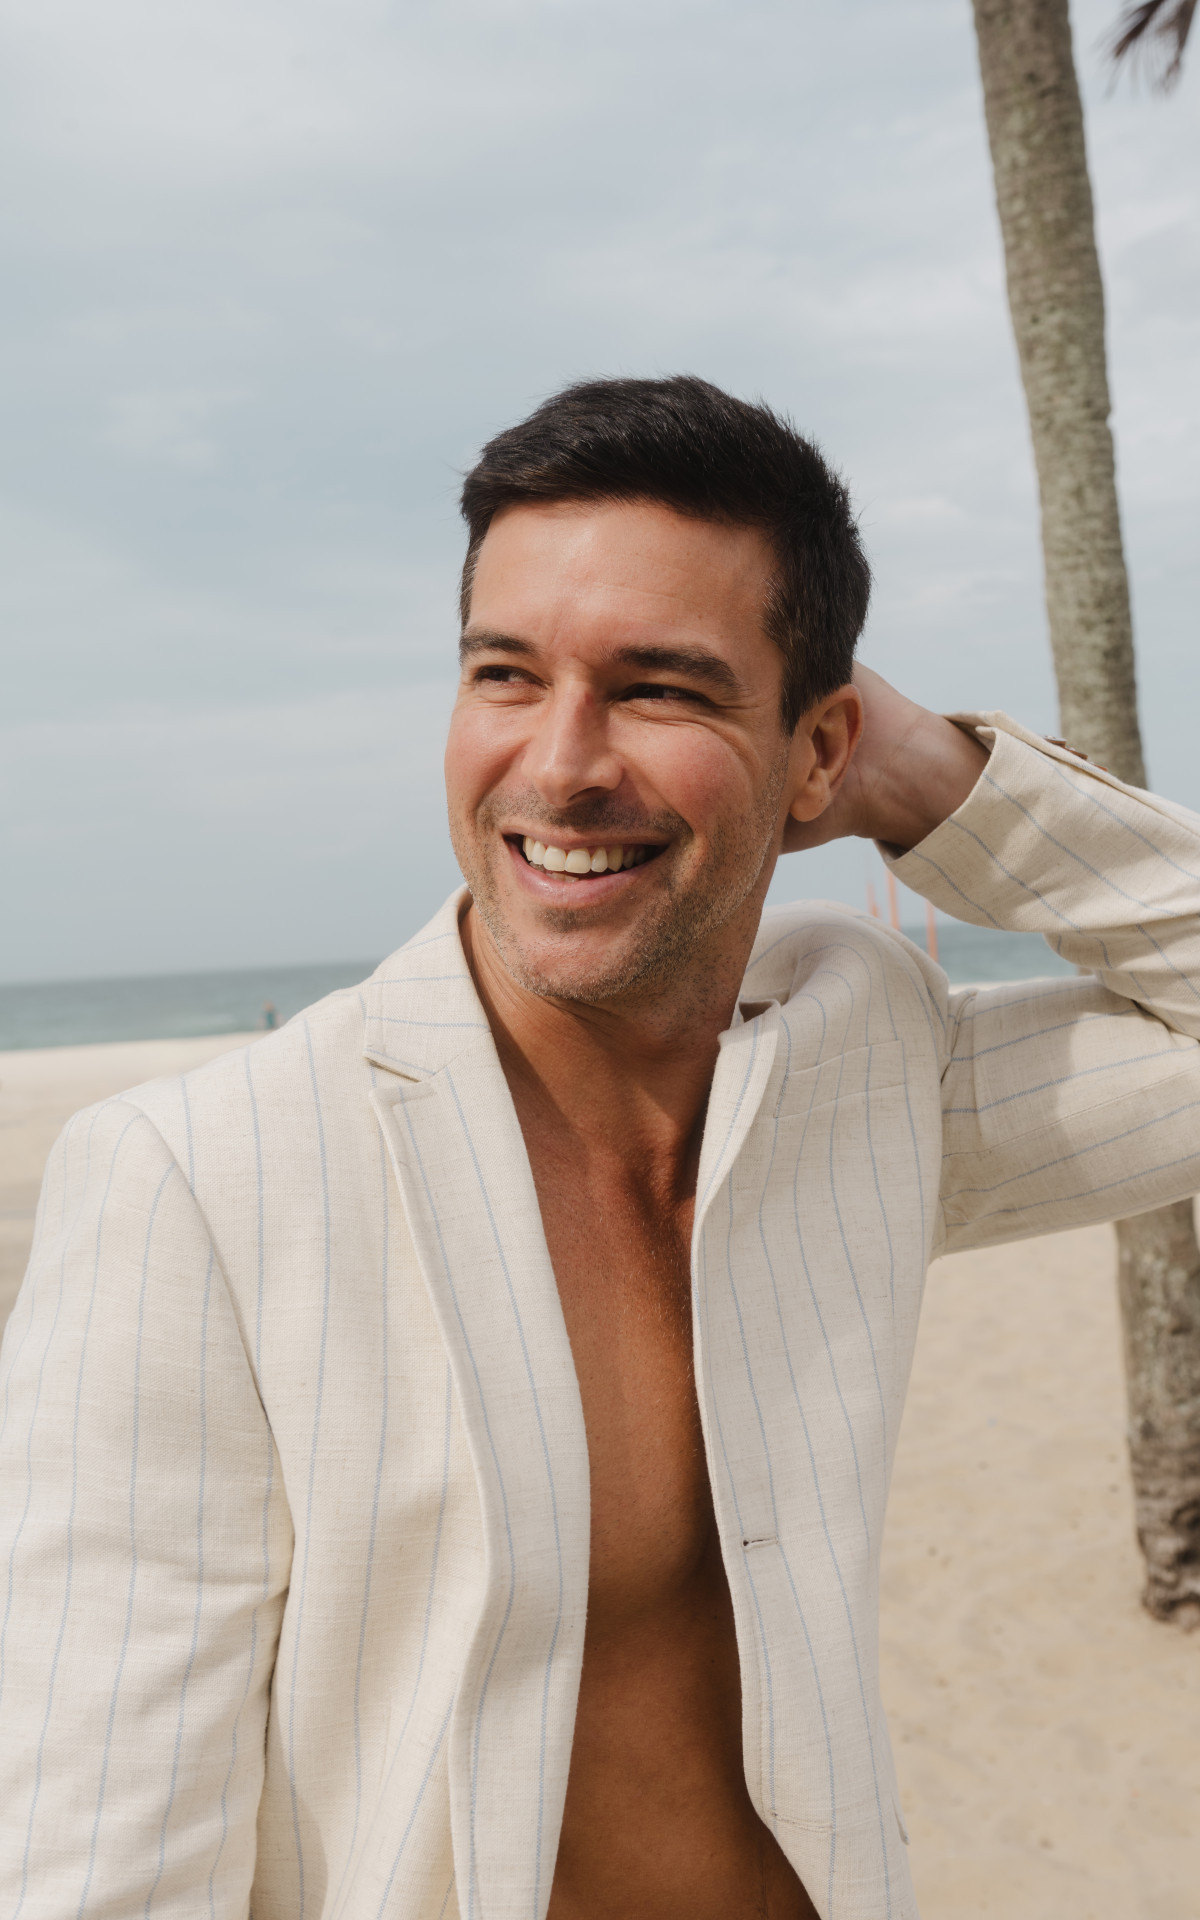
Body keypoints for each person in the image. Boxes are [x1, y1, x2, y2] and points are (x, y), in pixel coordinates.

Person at [3, 376, 1200, 1920]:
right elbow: (106, 1862)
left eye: (659, 689)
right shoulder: (201, 1184)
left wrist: (929, 779)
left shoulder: (856, 1084)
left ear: (817, 750)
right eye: (505, 674)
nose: (560, 763)